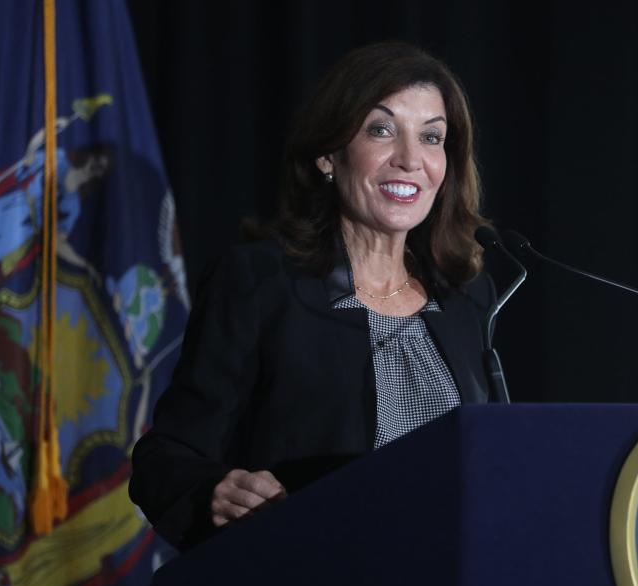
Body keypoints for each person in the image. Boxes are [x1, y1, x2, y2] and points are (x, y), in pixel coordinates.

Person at [129, 42, 494, 550]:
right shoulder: (261, 281)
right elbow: (165, 456)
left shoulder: (465, 296)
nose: (411, 159)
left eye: (432, 137)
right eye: (381, 130)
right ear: (329, 155)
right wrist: (213, 491)